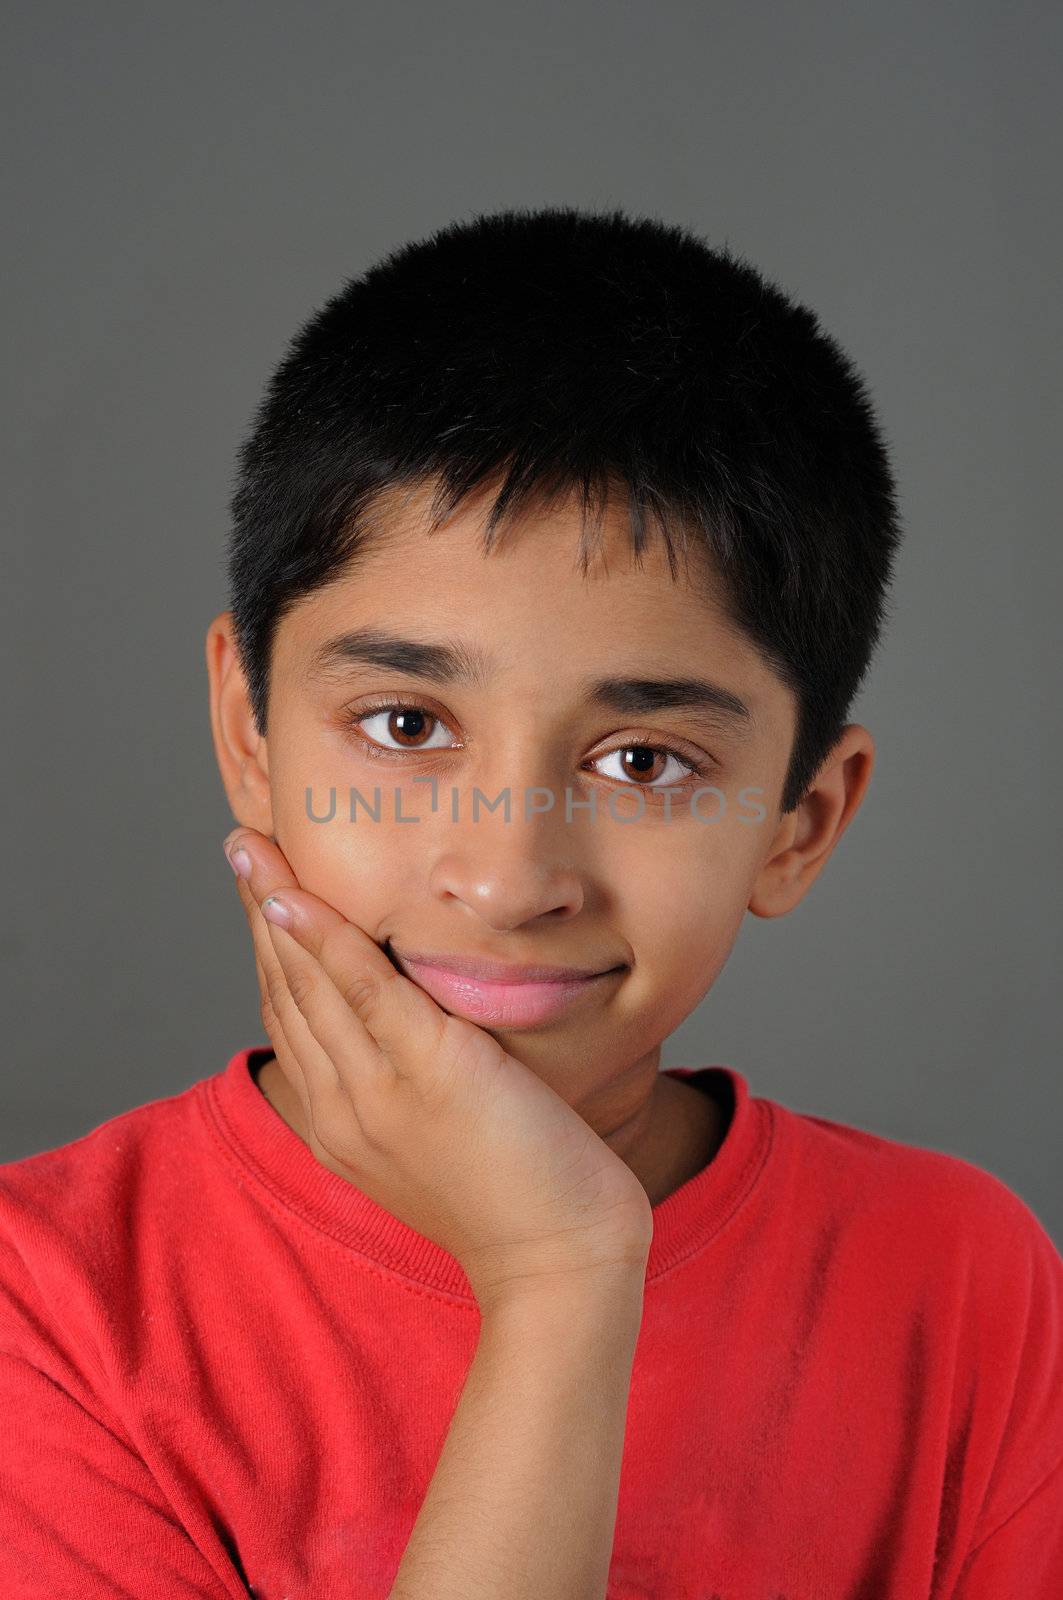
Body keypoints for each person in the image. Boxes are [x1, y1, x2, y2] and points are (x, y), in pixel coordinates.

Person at [1, 204, 1060, 1599]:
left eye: (643, 760)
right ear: (249, 734)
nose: (506, 880)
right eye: (402, 726)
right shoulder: (50, 1305)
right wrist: (557, 1279)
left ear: (801, 824)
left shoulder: (960, 1279)